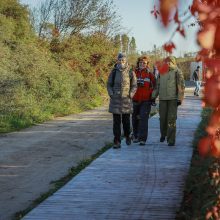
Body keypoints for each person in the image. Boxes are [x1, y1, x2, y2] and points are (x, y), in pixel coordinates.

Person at [152, 56, 185, 146]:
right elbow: (157, 85)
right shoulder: (161, 71)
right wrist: (153, 96)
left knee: (171, 119)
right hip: (162, 99)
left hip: (173, 99)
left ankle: (171, 140)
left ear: (173, 62)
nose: (168, 63)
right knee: (162, 119)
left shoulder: (177, 71)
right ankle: (163, 134)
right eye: (166, 62)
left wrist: (179, 98)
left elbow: (181, 86)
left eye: (170, 62)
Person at [107, 53, 137, 149]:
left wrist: (131, 94)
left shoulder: (130, 72)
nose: (121, 62)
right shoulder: (114, 71)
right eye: (120, 60)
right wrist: (111, 93)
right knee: (116, 122)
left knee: (126, 121)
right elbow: (109, 84)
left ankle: (128, 136)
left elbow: (134, 85)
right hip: (115, 100)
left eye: (123, 60)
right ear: (117, 61)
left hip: (126, 100)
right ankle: (117, 141)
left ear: (126, 61)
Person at [132, 56, 156, 145]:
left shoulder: (150, 74)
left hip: (146, 100)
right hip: (135, 99)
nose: (142, 64)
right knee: (135, 119)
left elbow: (155, 87)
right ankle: (135, 136)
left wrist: (151, 95)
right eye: (140, 62)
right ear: (138, 63)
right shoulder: (133, 73)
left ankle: (142, 139)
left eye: (144, 63)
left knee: (143, 119)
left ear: (147, 64)